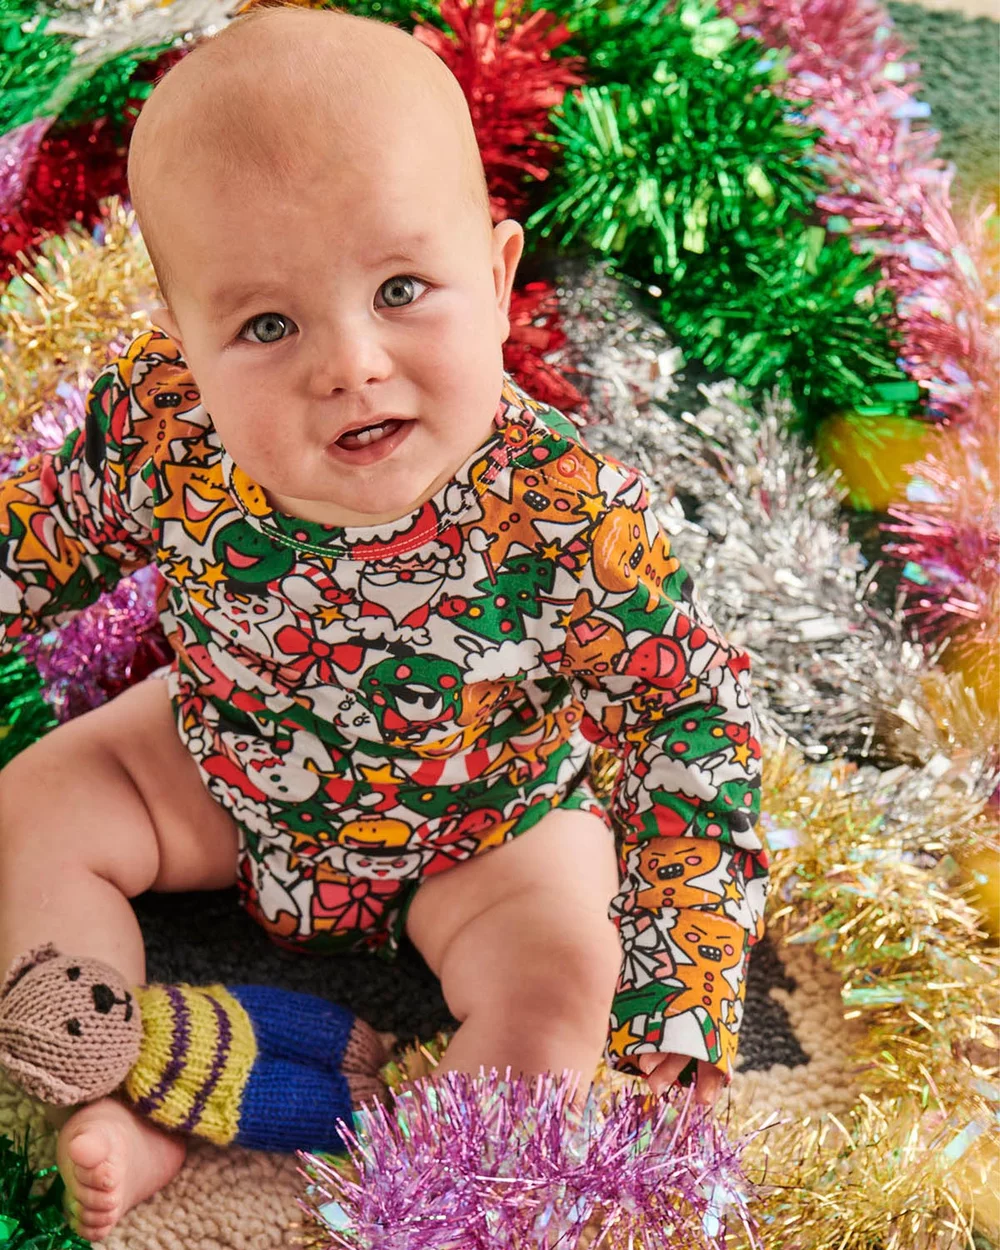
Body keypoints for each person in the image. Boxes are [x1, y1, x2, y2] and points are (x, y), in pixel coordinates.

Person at [0, 4, 767, 1240]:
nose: (350, 362)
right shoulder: (164, 430)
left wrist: (683, 964)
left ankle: (427, 1162)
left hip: (486, 822)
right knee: (38, 801)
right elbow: (36, 535)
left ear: (499, 281)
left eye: (402, 289)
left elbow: (686, 716)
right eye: (266, 325)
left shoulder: (568, 512)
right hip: (223, 754)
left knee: (566, 971)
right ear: (183, 344)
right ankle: (113, 1068)